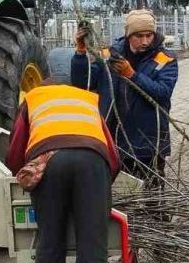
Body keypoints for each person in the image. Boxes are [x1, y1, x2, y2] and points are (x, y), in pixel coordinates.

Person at [7, 80, 120, 263]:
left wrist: (23, 174)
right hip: (93, 161)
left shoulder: (33, 98)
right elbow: (113, 155)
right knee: (93, 249)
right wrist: (99, 187)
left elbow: (16, 151)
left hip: (49, 163)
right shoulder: (88, 98)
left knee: (50, 244)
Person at [71, 9, 178, 186]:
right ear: (128, 35)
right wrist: (81, 53)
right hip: (115, 141)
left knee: (152, 195)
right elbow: (83, 84)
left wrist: (132, 74)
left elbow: (163, 92)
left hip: (149, 142)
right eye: (139, 36)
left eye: (149, 35)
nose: (145, 41)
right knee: (120, 196)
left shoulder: (165, 59)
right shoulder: (109, 55)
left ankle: (155, 215)